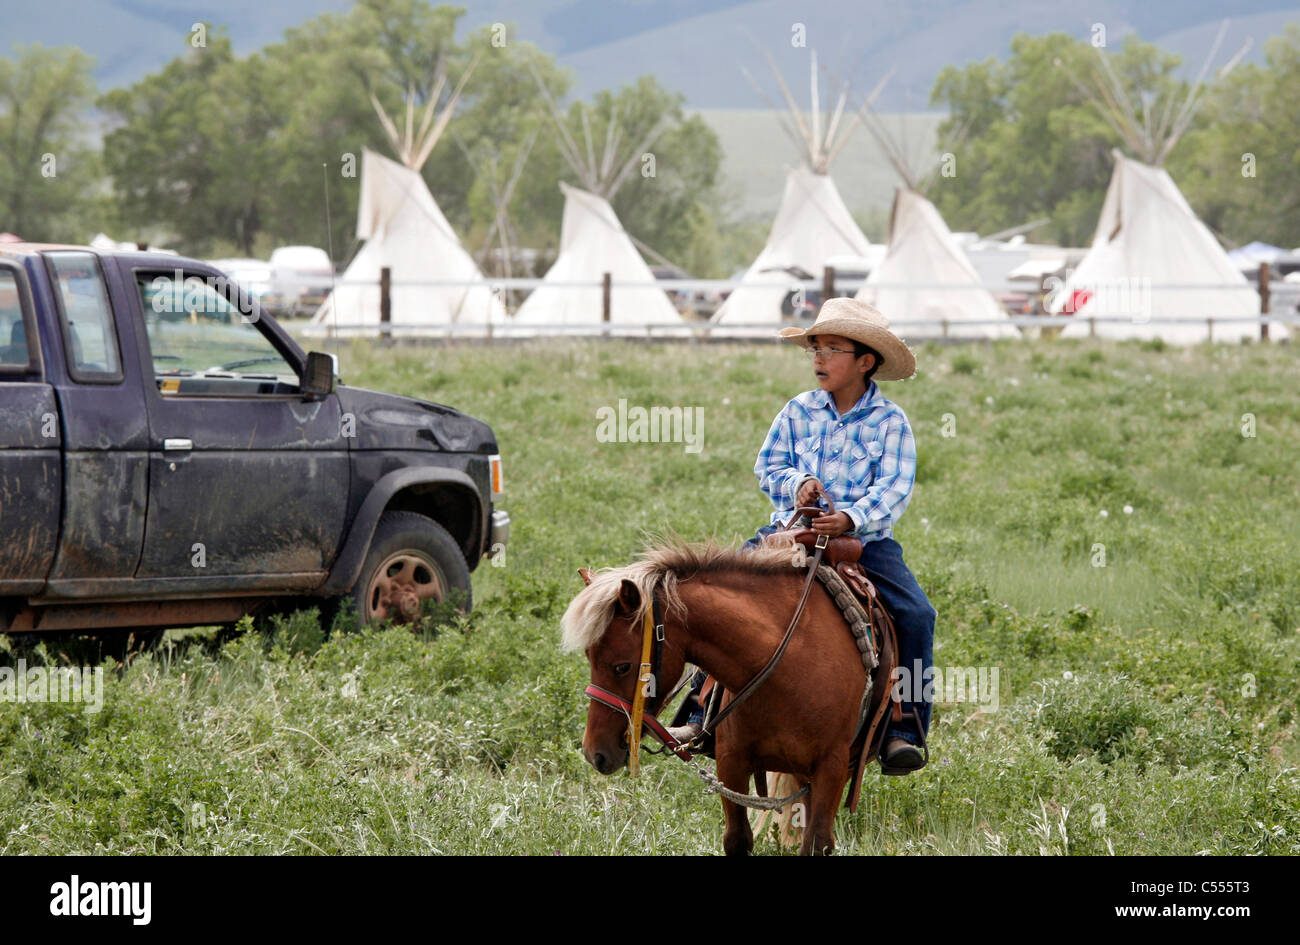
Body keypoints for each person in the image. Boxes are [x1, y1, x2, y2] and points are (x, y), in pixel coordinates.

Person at [668, 298, 936, 775]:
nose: (818, 358)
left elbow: (895, 486)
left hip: (865, 545)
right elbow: (768, 465)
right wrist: (797, 485)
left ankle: (904, 729)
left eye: (832, 349)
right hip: (786, 536)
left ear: (864, 361)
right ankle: (700, 709)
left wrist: (851, 518)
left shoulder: (890, 421)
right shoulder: (797, 411)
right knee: (717, 598)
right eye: (815, 348)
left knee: (917, 614)